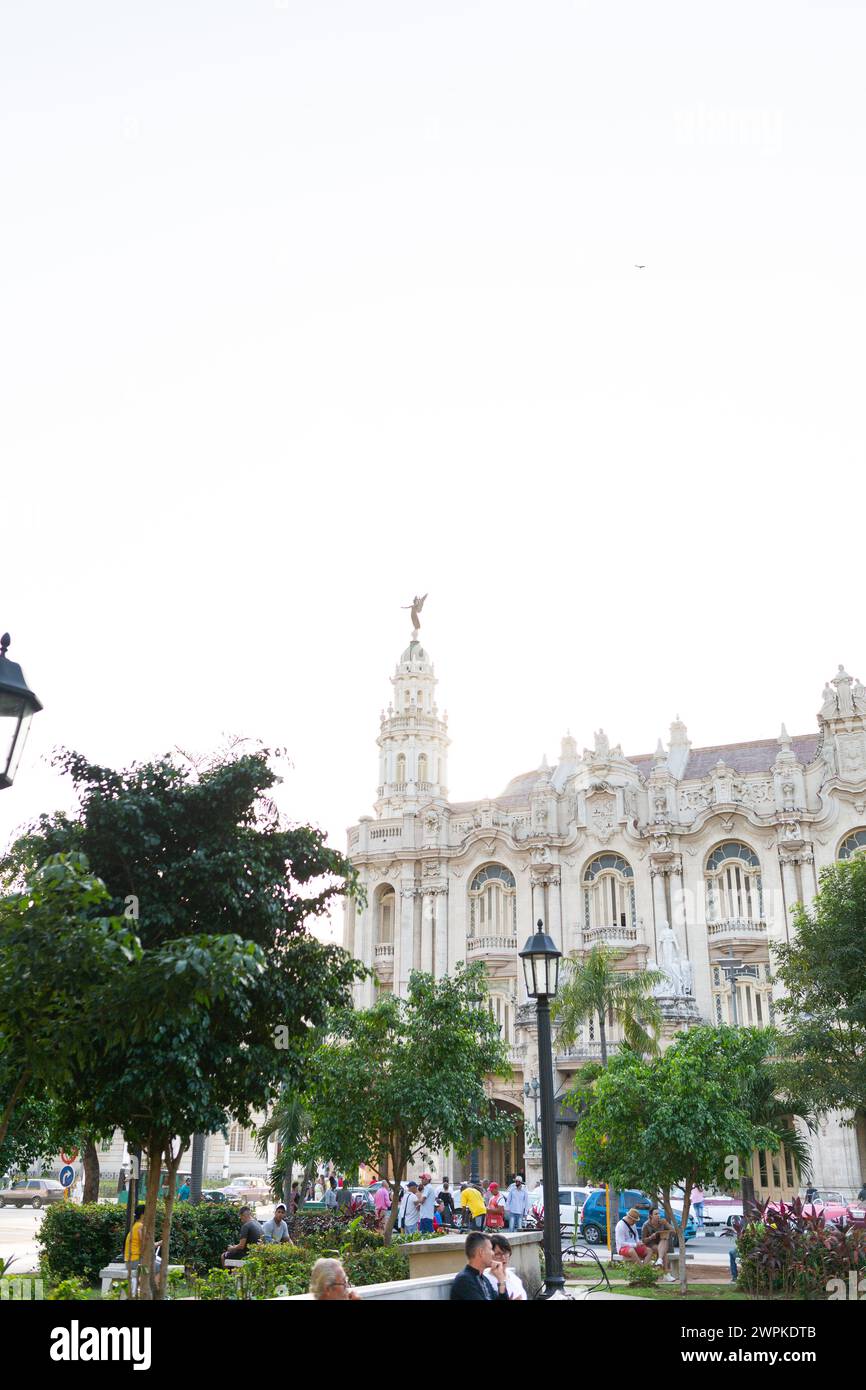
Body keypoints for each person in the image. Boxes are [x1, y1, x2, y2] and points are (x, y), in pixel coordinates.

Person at [450, 1231, 510, 1300]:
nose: (493, 1253)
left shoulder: (483, 1279)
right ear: (481, 1252)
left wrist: (501, 1280)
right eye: (490, 1249)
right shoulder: (464, 1280)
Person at [486, 1235, 528, 1300]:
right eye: (498, 1254)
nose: (503, 1258)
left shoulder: (514, 1278)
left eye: (505, 1253)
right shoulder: (485, 1280)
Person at [640, 1206, 676, 1282]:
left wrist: (667, 1223)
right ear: (651, 1216)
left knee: (664, 1239)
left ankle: (659, 1260)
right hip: (651, 1245)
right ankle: (666, 1274)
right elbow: (643, 1241)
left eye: (659, 1213)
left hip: (662, 1244)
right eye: (656, 1214)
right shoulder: (646, 1225)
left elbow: (674, 1232)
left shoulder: (662, 1222)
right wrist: (650, 1237)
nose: (658, 1215)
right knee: (663, 1252)